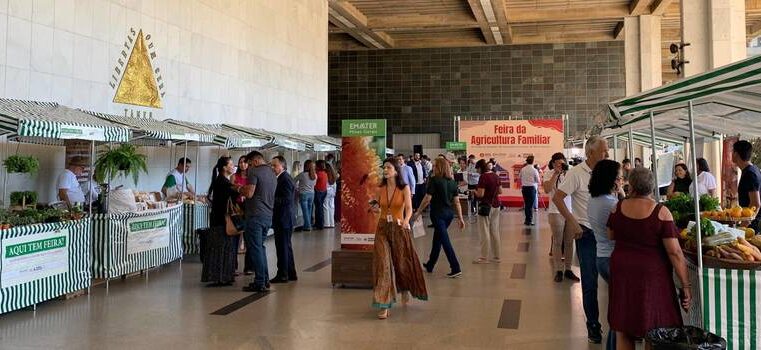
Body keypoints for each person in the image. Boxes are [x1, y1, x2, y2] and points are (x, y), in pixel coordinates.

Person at [607, 168, 691, 350]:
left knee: (624, 327)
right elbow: (675, 252)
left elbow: (611, 234)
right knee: (653, 329)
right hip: (651, 275)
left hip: (622, 271)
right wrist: (685, 285)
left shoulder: (617, 207)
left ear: (632, 185)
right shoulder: (661, 212)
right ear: (652, 186)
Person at [552, 135, 609, 344]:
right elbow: (558, 198)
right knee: (590, 281)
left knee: (616, 280)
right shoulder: (576, 174)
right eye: (604, 150)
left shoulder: (607, 172)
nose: (608, 154)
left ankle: (621, 324)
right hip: (587, 234)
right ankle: (593, 325)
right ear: (590, 152)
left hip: (609, 235)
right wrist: (573, 222)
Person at [371, 158, 428, 320]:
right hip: (382, 228)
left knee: (401, 262)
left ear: (396, 170)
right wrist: (374, 208)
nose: (385, 170)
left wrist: (406, 220)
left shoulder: (404, 188)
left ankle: (404, 289)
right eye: (384, 167)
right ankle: (384, 303)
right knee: (383, 265)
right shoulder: (380, 188)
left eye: (388, 167)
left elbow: (409, 208)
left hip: (399, 227)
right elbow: (376, 204)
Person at [587, 159, 626, 350]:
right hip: (614, 259)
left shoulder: (594, 200)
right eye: (619, 178)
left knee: (617, 307)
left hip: (602, 257)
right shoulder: (613, 204)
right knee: (620, 312)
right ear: (612, 180)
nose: (621, 181)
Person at [413, 158, 466, 278]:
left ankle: (455, 267)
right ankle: (430, 264)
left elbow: (427, 198)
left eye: (435, 166)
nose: (433, 168)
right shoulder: (452, 182)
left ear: (440, 167)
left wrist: (418, 212)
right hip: (449, 215)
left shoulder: (434, 180)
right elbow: (457, 202)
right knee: (437, 239)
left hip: (438, 215)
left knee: (445, 241)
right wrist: (461, 218)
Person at [240, 151, 277, 293]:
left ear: (255, 161)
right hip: (268, 216)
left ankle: (260, 282)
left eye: (249, 164)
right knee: (260, 248)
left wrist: (239, 188)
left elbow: (249, 193)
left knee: (255, 249)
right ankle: (265, 279)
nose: (248, 167)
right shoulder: (271, 173)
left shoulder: (254, 172)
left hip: (255, 216)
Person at [202, 156, 240, 287]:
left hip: (218, 219)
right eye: (231, 164)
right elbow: (231, 198)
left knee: (221, 246)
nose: (233, 166)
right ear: (224, 168)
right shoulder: (223, 182)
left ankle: (222, 275)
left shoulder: (221, 181)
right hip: (221, 220)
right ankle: (220, 276)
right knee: (221, 247)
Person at [543, 153, 578, 282]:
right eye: (557, 163)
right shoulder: (549, 173)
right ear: (553, 164)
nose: (560, 165)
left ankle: (568, 269)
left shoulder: (569, 173)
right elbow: (547, 189)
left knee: (569, 242)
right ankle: (558, 270)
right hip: (555, 212)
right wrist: (555, 174)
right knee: (557, 242)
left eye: (562, 163)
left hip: (570, 211)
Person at [269, 156, 297, 284]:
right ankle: (290, 272)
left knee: (282, 247)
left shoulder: (284, 179)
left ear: (282, 166)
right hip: (285, 217)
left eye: (275, 166)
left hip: (283, 218)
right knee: (286, 246)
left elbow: (286, 199)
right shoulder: (283, 178)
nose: (272, 168)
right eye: (272, 165)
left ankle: (283, 274)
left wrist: (271, 200)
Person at [473, 159, 502, 264]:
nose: (477, 172)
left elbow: (480, 194)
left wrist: (474, 191)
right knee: (494, 231)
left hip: (486, 206)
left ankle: (483, 257)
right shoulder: (495, 176)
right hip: (496, 205)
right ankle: (497, 256)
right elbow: (500, 191)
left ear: (480, 168)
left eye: (477, 169)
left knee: (484, 231)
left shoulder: (483, 177)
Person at [732, 140, 761, 230]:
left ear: (736, 154)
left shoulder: (750, 173)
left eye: (732, 152)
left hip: (752, 226)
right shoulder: (752, 169)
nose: (731, 154)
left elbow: (756, 204)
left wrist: (742, 227)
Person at [231, 155, 251, 275]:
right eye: (241, 162)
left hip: (248, 209)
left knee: (248, 238)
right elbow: (231, 191)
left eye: (245, 162)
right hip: (237, 209)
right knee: (236, 238)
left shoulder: (251, 177)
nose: (243, 164)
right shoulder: (234, 177)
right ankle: (233, 265)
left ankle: (248, 266)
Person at [295, 160, 316, 231]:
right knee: (309, 211)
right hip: (312, 194)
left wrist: (299, 187)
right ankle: (307, 224)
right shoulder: (315, 175)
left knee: (305, 211)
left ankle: (308, 226)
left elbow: (293, 181)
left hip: (303, 194)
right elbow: (314, 185)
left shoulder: (302, 174)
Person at [520, 156, 540, 226]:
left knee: (526, 204)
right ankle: (530, 220)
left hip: (524, 188)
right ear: (533, 161)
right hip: (531, 188)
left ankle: (527, 220)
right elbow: (538, 181)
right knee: (530, 205)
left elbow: (519, 177)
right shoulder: (534, 170)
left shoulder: (523, 169)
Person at [314, 160, 330, 230]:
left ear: (317, 166)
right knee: (320, 208)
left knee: (318, 208)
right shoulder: (325, 173)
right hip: (324, 191)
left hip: (318, 192)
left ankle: (319, 224)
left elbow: (313, 182)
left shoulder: (318, 173)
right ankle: (319, 223)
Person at [323, 162, 338, 228]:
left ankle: (327, 223)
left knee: (325, 207)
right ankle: (332, 223)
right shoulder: (334, 175)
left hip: (326, 192)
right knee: (332, 207)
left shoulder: (326, 174)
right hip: (333, 193)